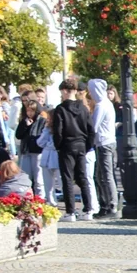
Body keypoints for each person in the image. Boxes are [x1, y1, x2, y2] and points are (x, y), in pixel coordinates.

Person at [53, 78, 95, 222]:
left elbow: (58, 131)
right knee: (83, 177)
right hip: (81, 144)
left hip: (67, 145)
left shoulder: (61, 109)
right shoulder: (83, 108)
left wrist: (58, 145)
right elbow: (91, 130)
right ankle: (88, 209)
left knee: (67, 179)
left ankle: (70, 211)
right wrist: (88, 145)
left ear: (64, 91)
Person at [89, 79, 119, 219]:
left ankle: (111, 206)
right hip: (107, 142)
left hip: (104, 143)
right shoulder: (106, 103)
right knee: (102, 176)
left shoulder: (101, 105)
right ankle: (106, 205)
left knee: (105, 176)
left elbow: (93, 126)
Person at [15, 100, 47, 198]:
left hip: (37, 152)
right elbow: (18, 135)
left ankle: (40, 198)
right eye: (28, 111)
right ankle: (27, 197)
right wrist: (25, 125)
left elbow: (42, 135)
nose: (30, 113)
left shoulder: (42, 120)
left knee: (38, 178)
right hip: (26, 151)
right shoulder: (24, 121)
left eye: (32, 111)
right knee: (26, 176)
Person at [37, 111, 61, 207]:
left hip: (56, 155)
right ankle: (51, 201)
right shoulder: (47, 129)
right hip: (48, 155)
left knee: (60, 181)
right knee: (48, 182)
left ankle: (60, 201)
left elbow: (41, 142)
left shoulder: (59, 129)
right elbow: (40, 142)